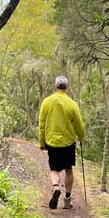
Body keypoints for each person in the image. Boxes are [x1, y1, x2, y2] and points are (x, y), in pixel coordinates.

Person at [38, 75, 85, 210]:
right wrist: (81, 138)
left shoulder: (46, 102)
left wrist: (42, 142)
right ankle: (67, 200)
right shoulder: (72, 104)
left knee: (54, 169)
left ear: (55, 86)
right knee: (68, 169)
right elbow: (79, 125)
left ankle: (55, 187)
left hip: (51, 141)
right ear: (67, 87)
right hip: (68, 143)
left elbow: (41, 124)